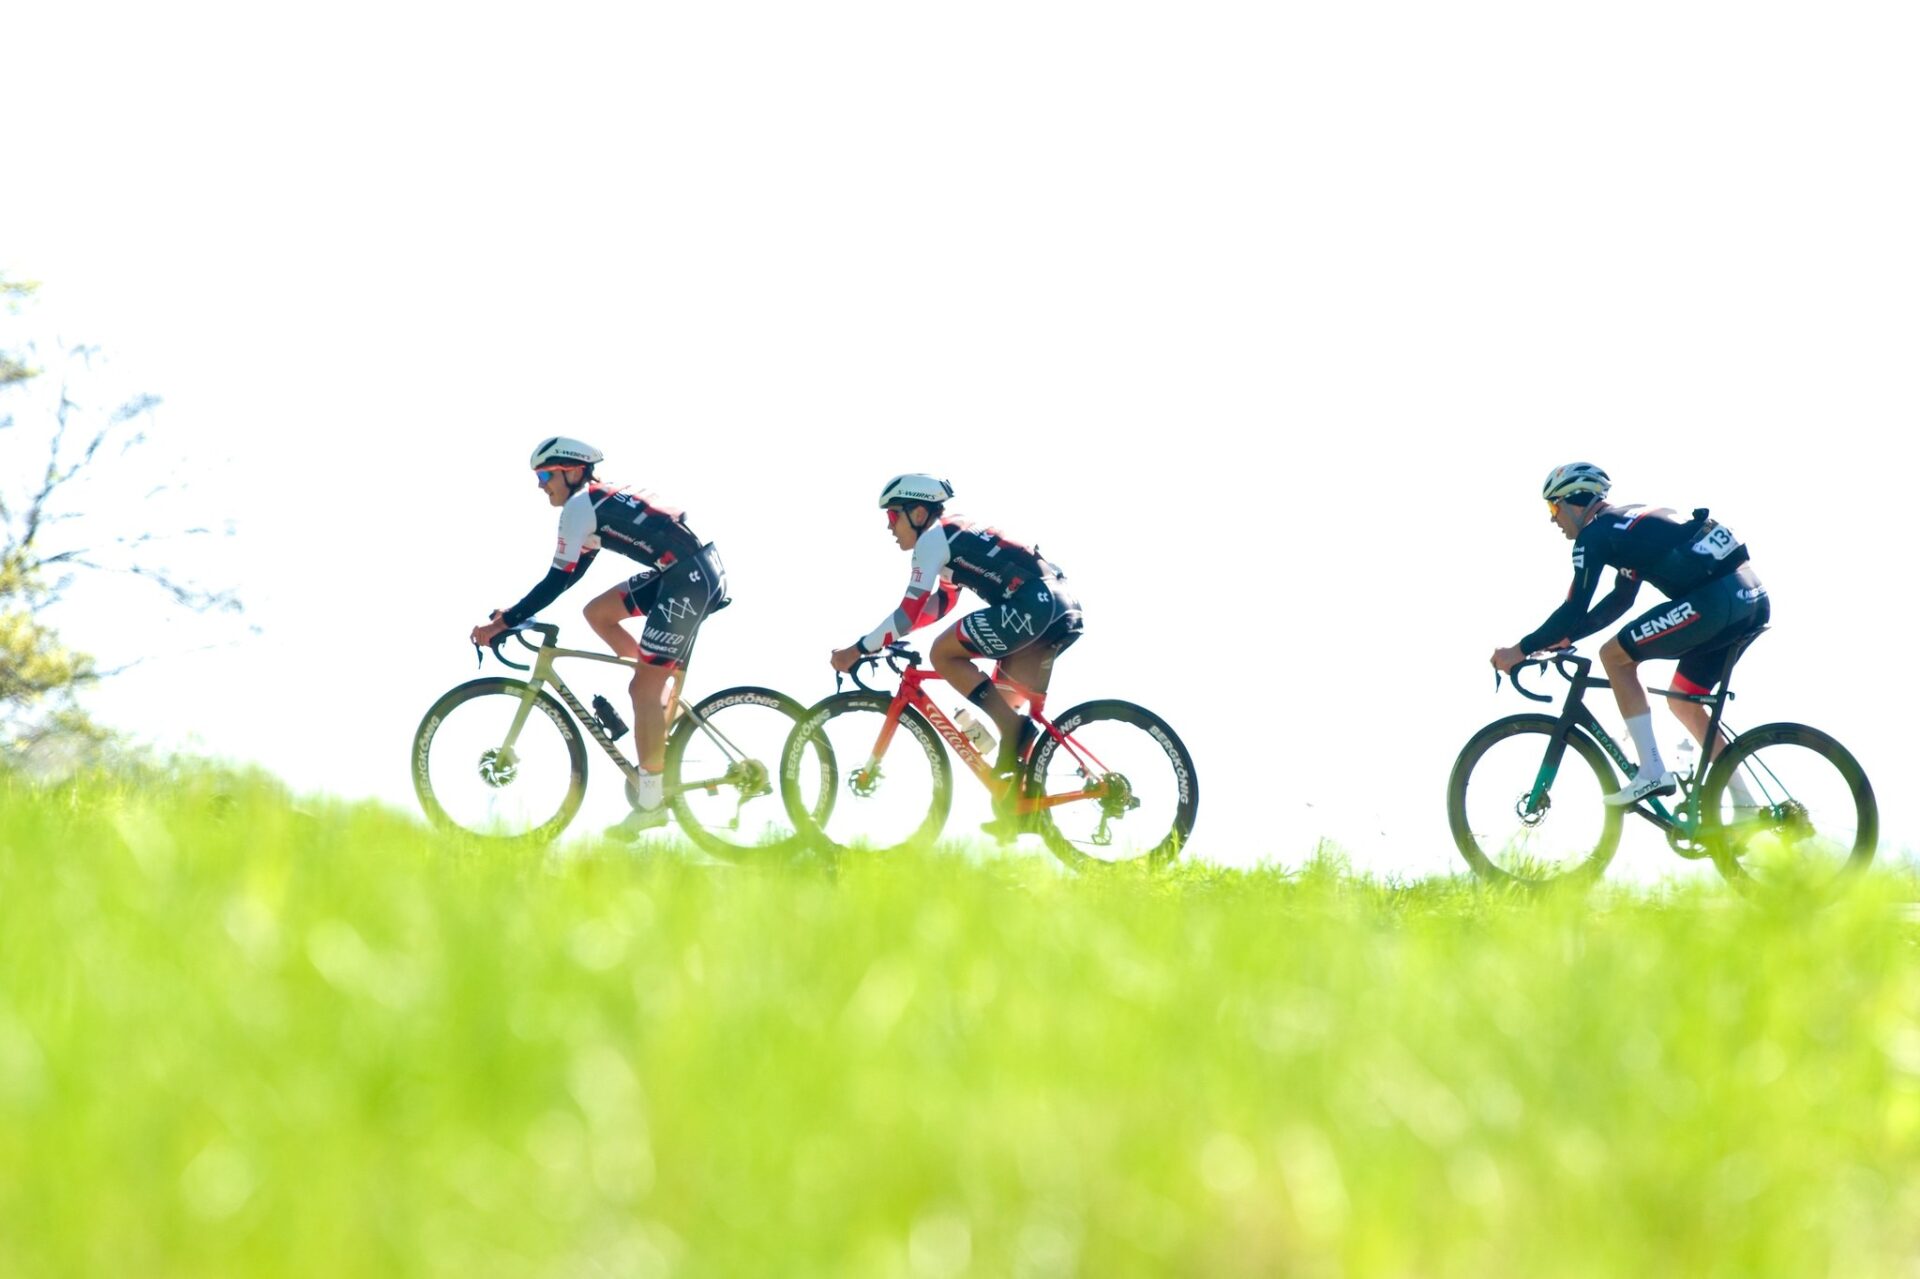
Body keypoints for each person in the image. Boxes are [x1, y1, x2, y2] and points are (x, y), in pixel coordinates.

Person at [470, 437, 727, 839]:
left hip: (686, 579)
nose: (540, 486)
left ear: (573, 471)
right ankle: (660, 703)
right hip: (686, 571)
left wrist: (507, 621)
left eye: (545, 476)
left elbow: (556, 580)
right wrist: (516, 616)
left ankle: (651, 802)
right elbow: (571, 575)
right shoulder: (591, 503)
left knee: (640, 689)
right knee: (599, 613)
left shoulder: (579, 508)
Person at [1490, 462, 1771, 806]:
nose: (1553, 519)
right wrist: (1569, 637)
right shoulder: (1625, 524)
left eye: (1553, 508)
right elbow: (1621, 599)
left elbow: (1573, 608)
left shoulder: (1595, 536)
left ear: (1573, 501)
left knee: (1614, 657)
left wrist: (1519, 650)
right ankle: (1746, 805)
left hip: (1715, 601)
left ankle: (1651, 771)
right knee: (1684, 701)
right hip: (1750, 596)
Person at [830, 474, 1083, 836]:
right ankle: (1025, 806)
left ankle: (1015, 730)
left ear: (918, 513)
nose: (889, 527)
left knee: (943, 654)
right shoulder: (954, 533)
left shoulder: (932, 541)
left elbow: (907, 613)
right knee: (1004, 706)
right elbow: (942, 602)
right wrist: (886, 638)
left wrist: (858, 648)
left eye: (893, 517)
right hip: (1061, 609)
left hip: (1034, 608)